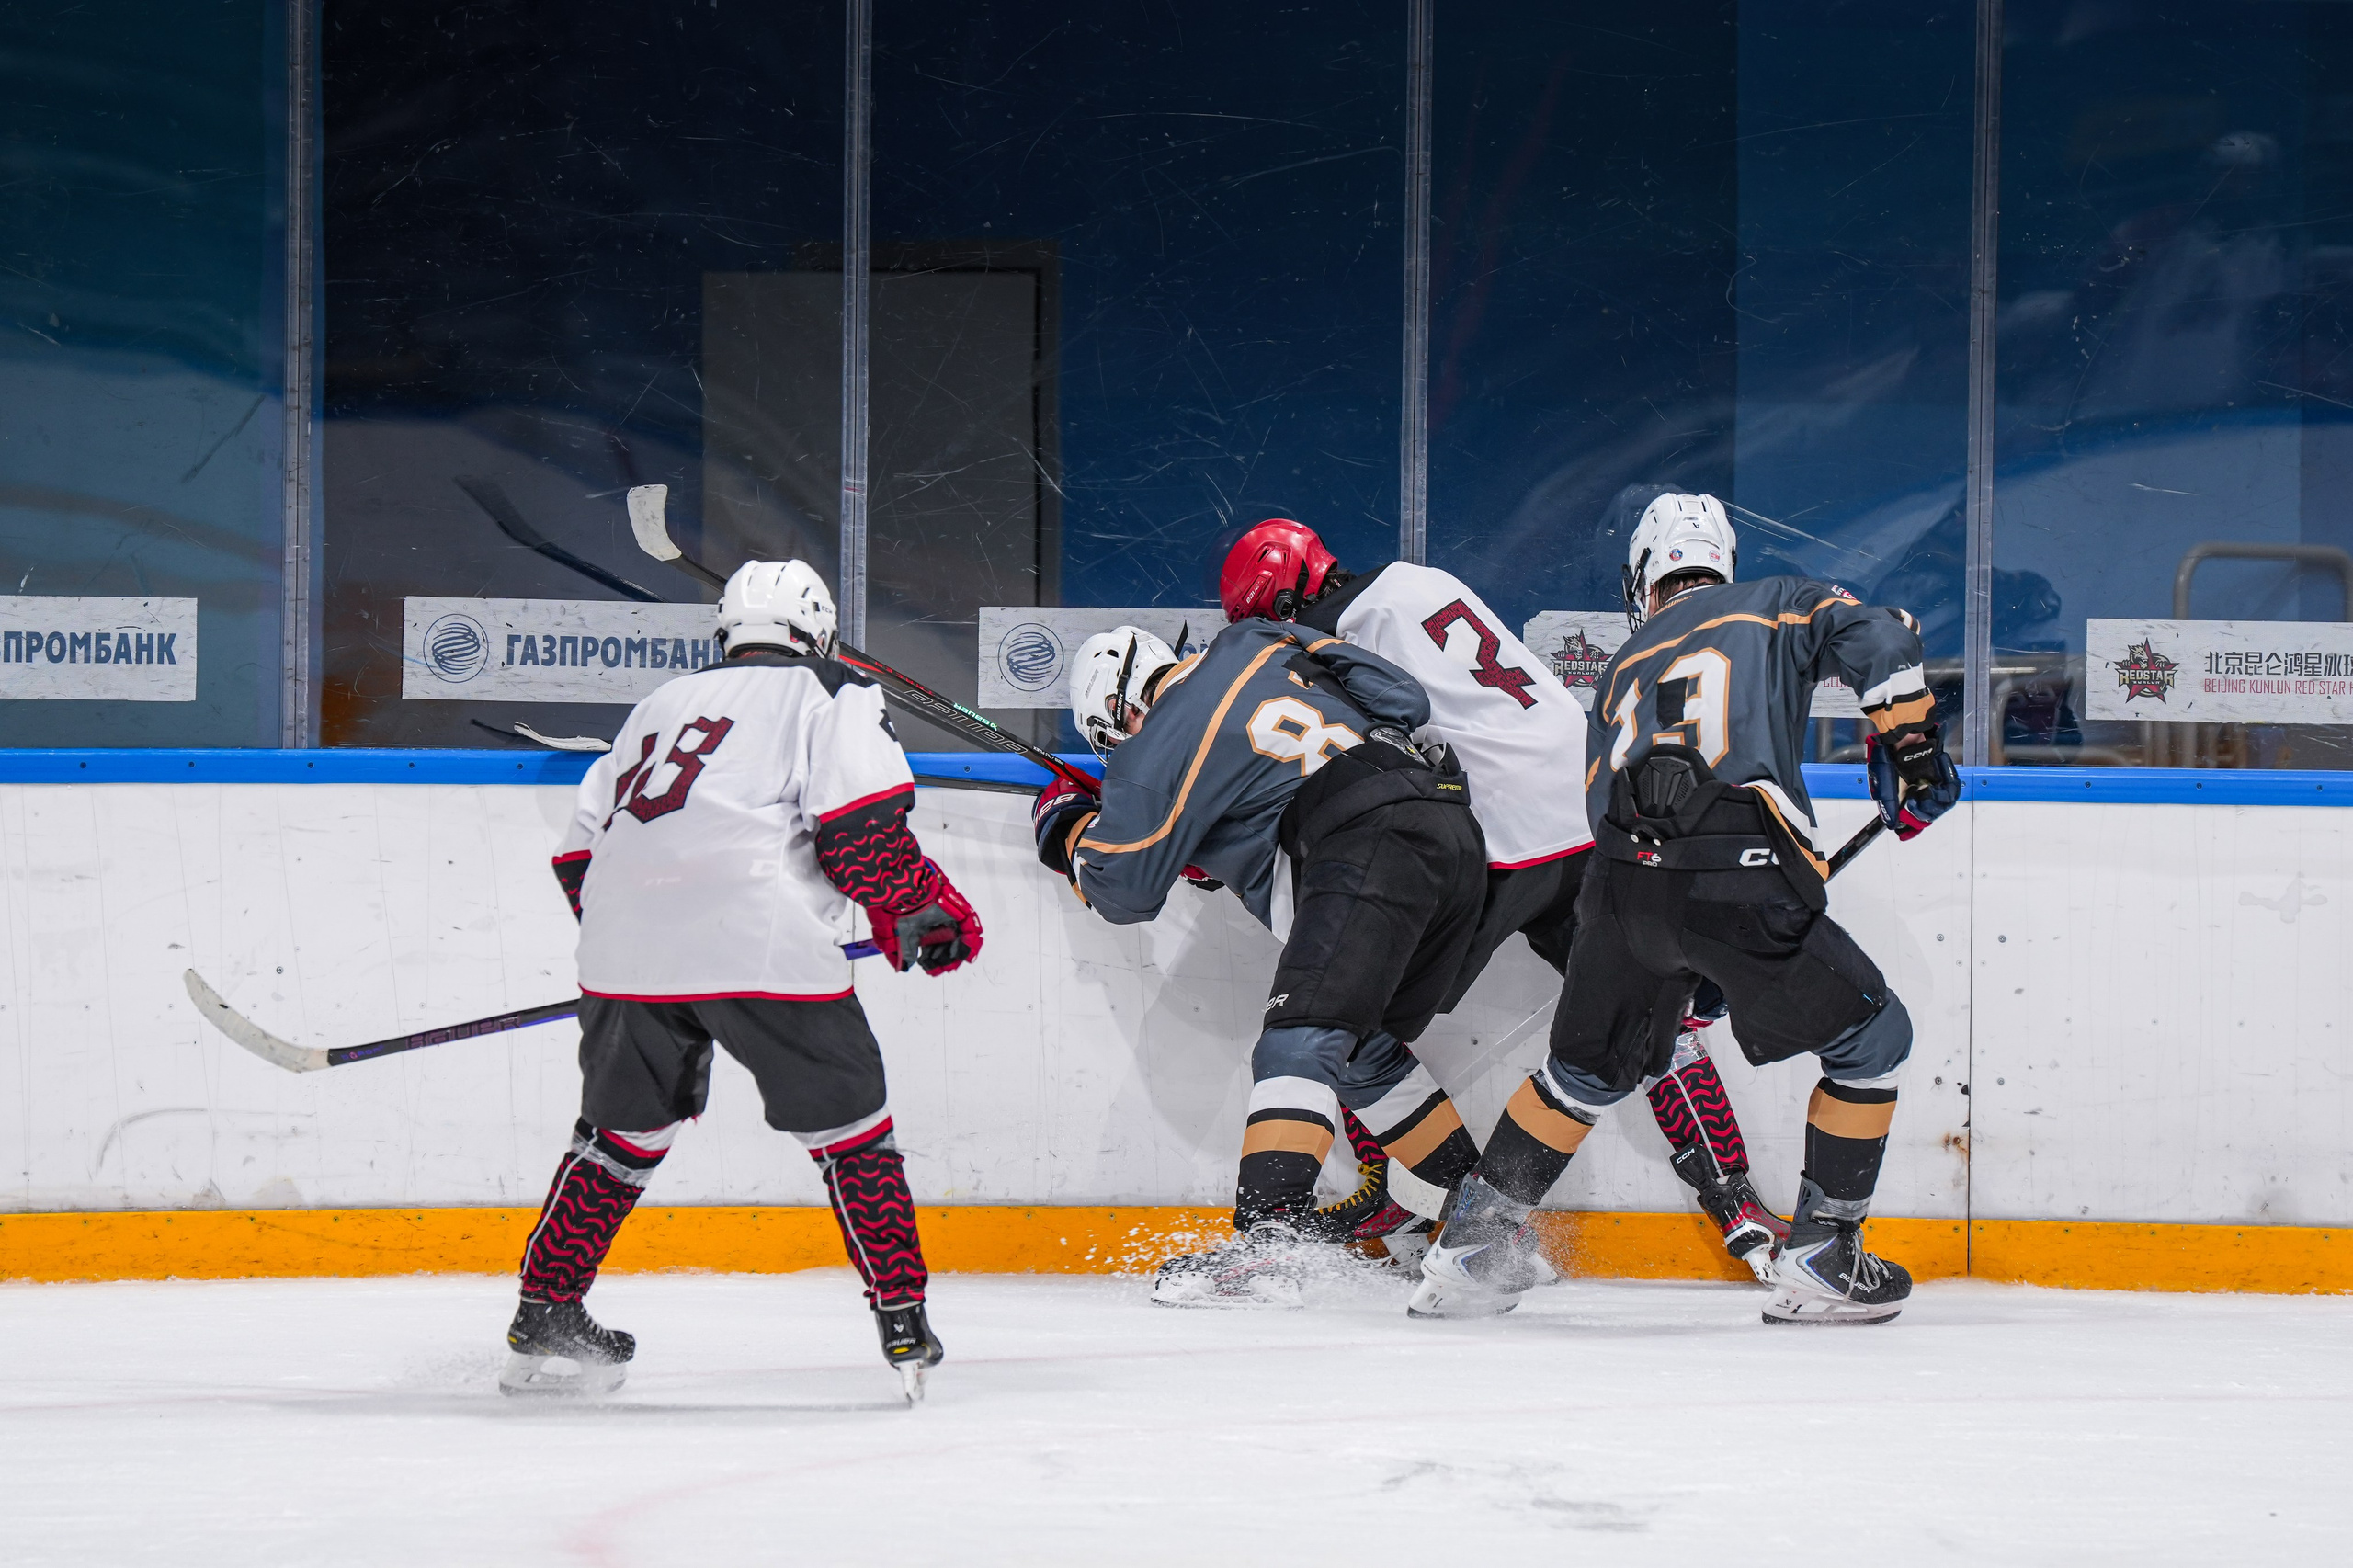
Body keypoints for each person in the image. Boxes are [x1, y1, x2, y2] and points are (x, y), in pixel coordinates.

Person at [1412, 493, 1959, 1325]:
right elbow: (1887, 635)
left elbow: (1602, 811)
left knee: (1582, 1074)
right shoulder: (1778, 603)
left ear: (1644, 577)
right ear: (1719, 566)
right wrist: (1913, 753)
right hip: (1736, 869)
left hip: (1621, 888)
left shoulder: (1621, 665)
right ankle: (1823, 1252)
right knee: (1874, 1040)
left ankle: (1472, 1251)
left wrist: (1674, 944)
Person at [1217, 518, 1786, 1275]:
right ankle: (1737, 1205)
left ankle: (1450, 1204)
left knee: (1344, 1017)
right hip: (1590, 805)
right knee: (1653, 1015)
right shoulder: (1422, 582)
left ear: (1285, 598)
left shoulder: (1331, 636)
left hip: (1499, 834)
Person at [501, 560, 984, 1400]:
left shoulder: (655, 705)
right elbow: (862, 831)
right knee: (852, 1135)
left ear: (727, 632)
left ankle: (545, 1308)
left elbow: (580, 855)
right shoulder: (832, 689)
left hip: (622, 950)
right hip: (763, 937)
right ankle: (903, 1320)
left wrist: (650, 947)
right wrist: (919, 910)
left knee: (618, 1139)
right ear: (817, 629)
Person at [1030, 620, 1489, 1306]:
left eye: (1113, 737)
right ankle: (1492, 1234)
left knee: (1298, 1035)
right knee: (1360, 1049)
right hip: (1451, 834)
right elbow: (1400, 701)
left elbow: (1122, 890)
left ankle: (1265, 1248)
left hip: (1363, 841)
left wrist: (1066, 825)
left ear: (1124, 707)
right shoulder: (1254, 643)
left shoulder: (1155, 745)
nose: (1121, 748)